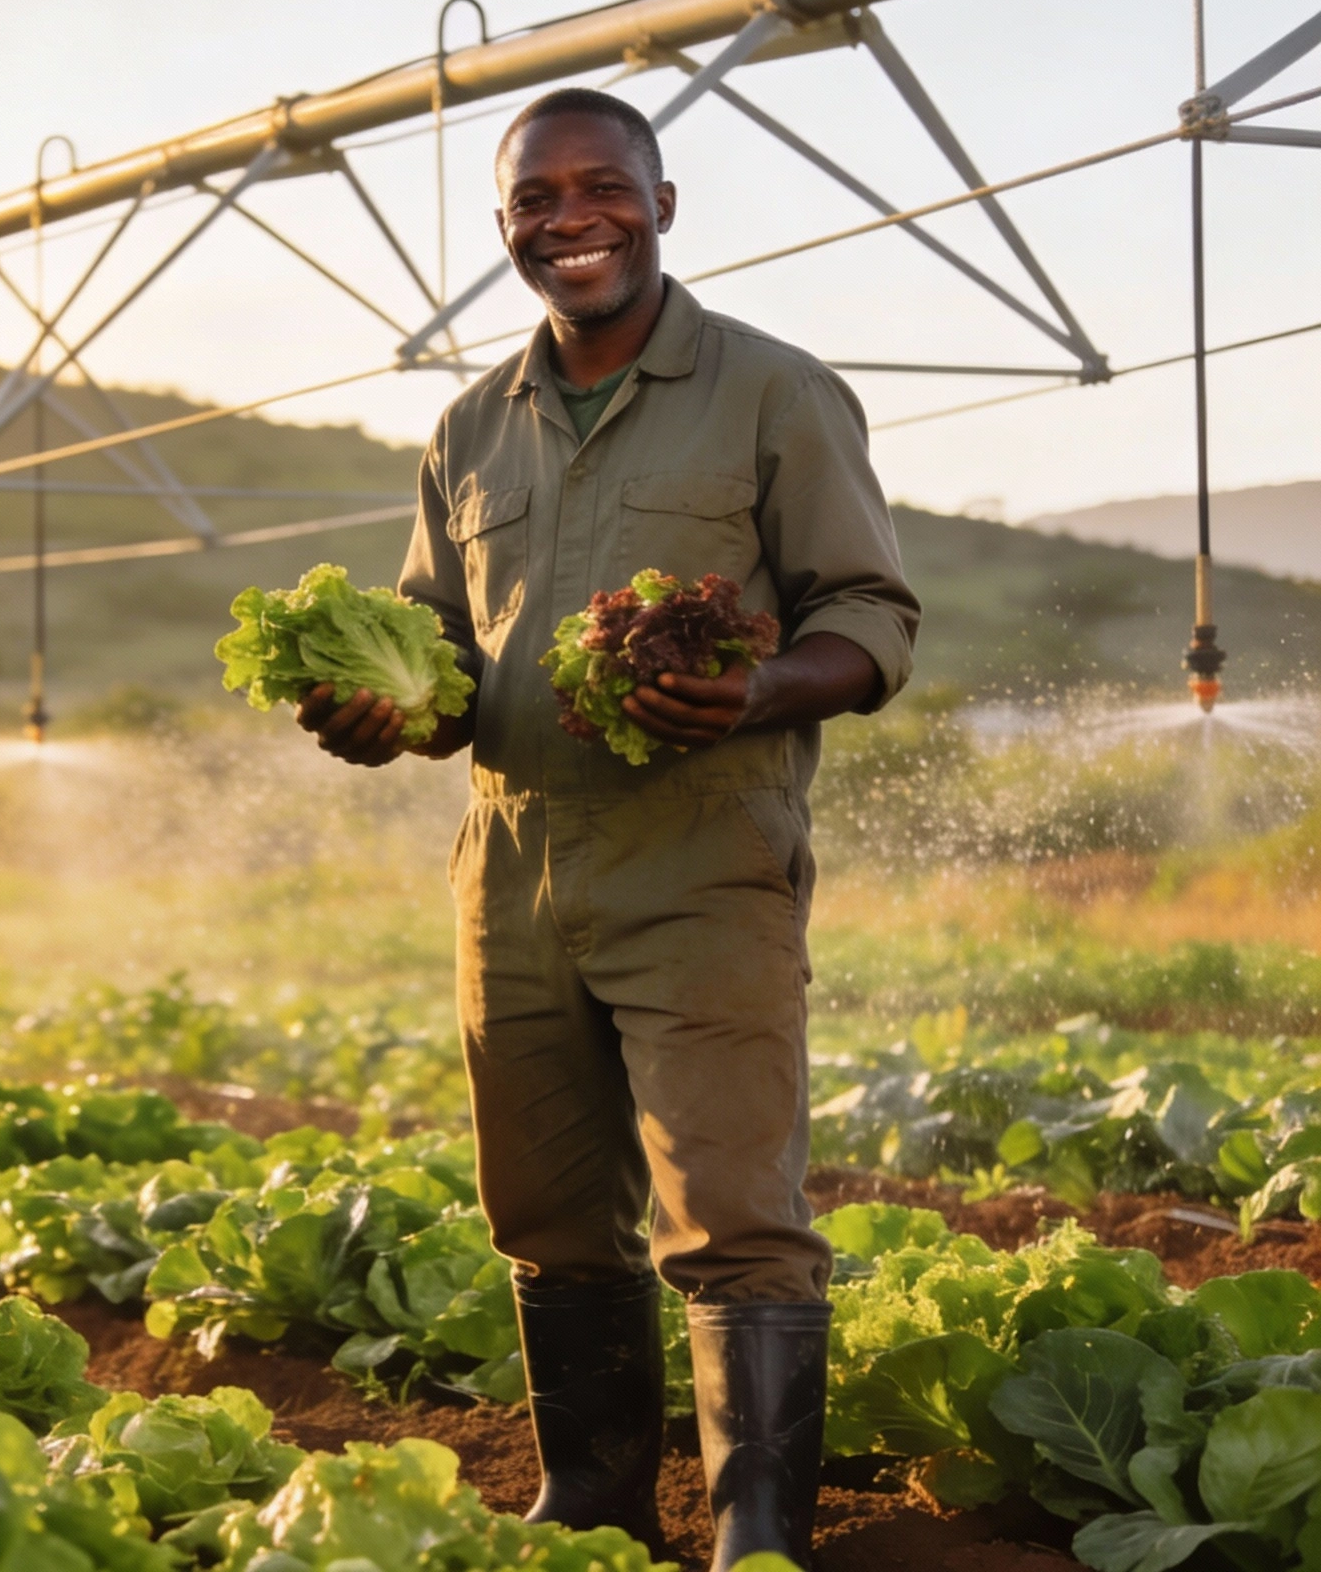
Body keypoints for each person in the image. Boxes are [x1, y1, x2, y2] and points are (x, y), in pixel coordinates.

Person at [296, 86, 919, 1571]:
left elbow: (873, 618)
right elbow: (444, 658)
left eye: (601, 188)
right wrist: (384, 710)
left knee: (730, 1215)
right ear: (504, 228)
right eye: (534, 200)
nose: (570, 218)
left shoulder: (774, 392)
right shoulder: (466, 429)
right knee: (549, 1214)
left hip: (702, 846)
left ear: (662, 204)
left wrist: (764, 683)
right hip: (510, 865)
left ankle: (756, 1535)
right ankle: (592, 1510)